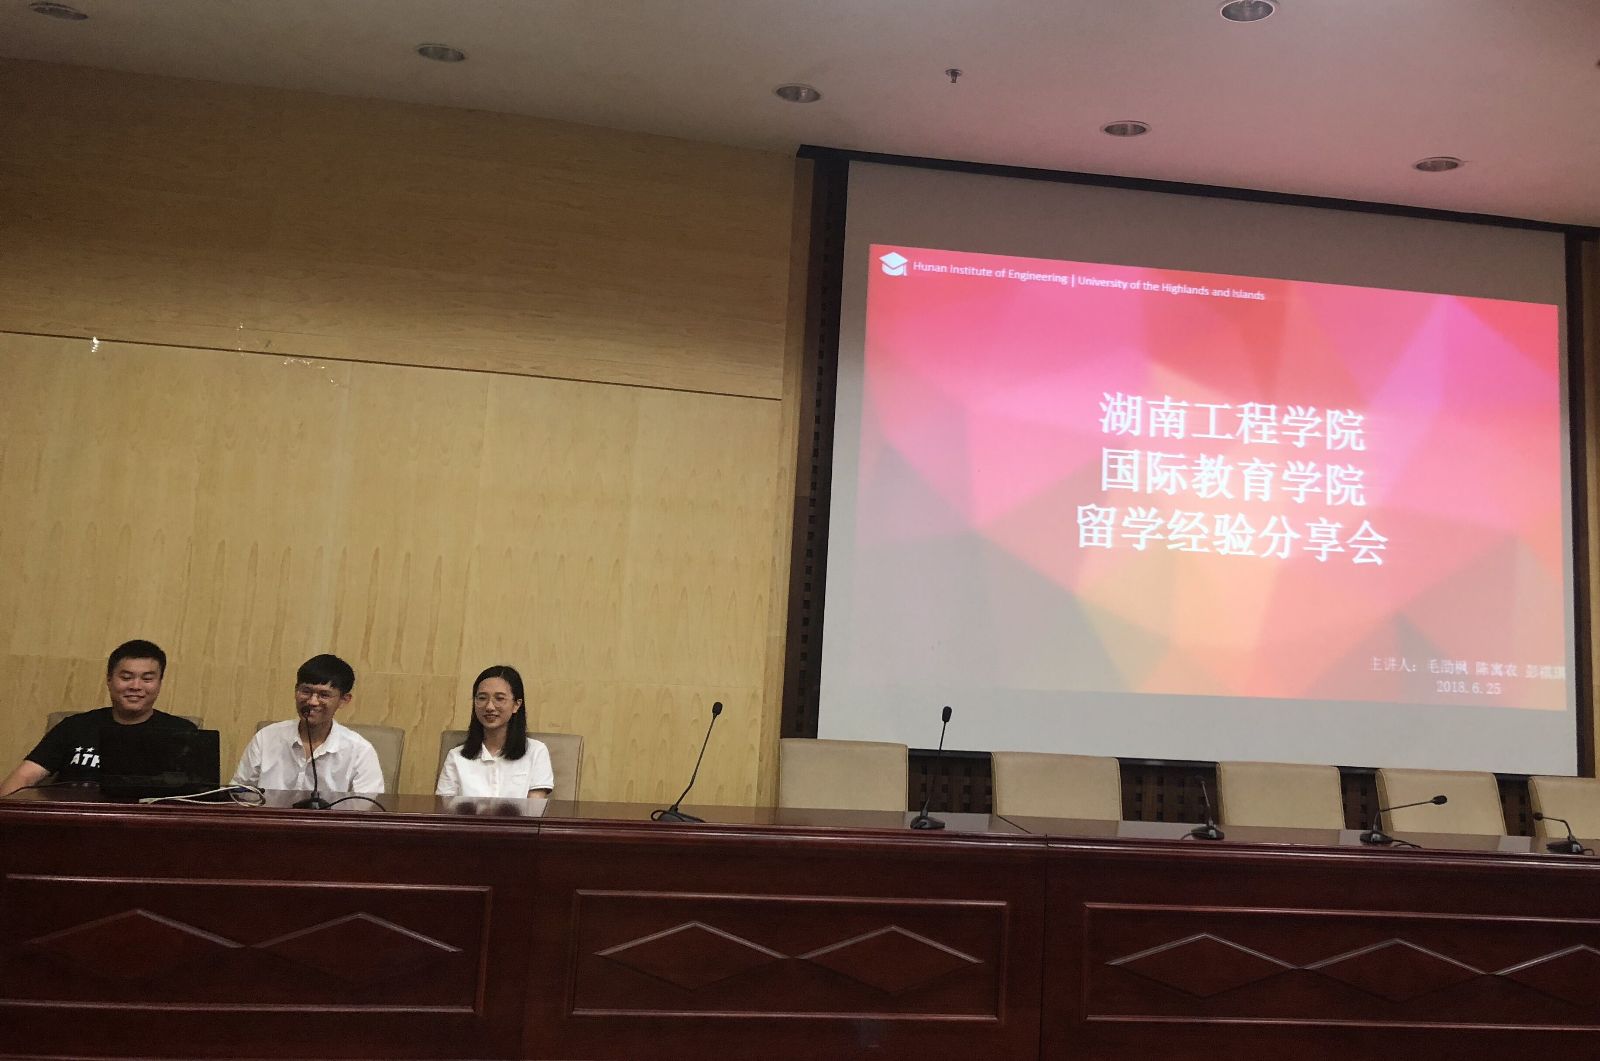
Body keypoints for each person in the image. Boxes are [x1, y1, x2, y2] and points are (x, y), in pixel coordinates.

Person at [0, 639, 197, 797]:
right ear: (109, 680)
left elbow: (198, 796)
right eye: (126, 677)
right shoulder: (74, 727)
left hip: (148, 828)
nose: (135, 686)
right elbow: (24, 777)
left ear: (159, 683)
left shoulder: (182, 732)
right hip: (73, 823)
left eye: (147, 679)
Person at [232, 653, 383, 794]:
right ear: (295, 691)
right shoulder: (266, 738)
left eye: (324, 695)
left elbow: (366, 808)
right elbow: (237, 794)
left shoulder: (360, 752)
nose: (312, 701)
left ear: (344, 700)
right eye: (306, 691)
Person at [436, 665, 554, 799]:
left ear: (516, 705)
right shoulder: (456, 756)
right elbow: (443, 808)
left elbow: (534, 809)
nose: (489, 707)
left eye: (499, 698)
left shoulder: (536, 752)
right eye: (482, 698)